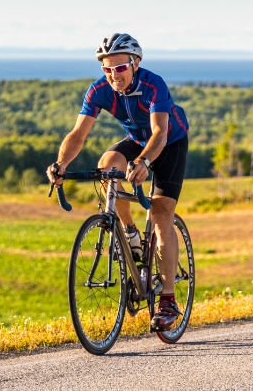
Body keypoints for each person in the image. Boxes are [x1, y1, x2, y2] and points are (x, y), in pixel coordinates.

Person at [46, 33, 190, 332]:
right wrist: (61, 164)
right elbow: (78, 134)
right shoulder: (99, 90)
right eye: (107, 69)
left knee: (161, 215)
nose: (114, 75)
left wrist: (145, 163)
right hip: (137, 141)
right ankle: (130, 232)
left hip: (169, 143)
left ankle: (167, 299)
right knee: (107, 166)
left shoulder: (153, 84)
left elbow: (159, 133)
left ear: (135, 63)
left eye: (120, 68)